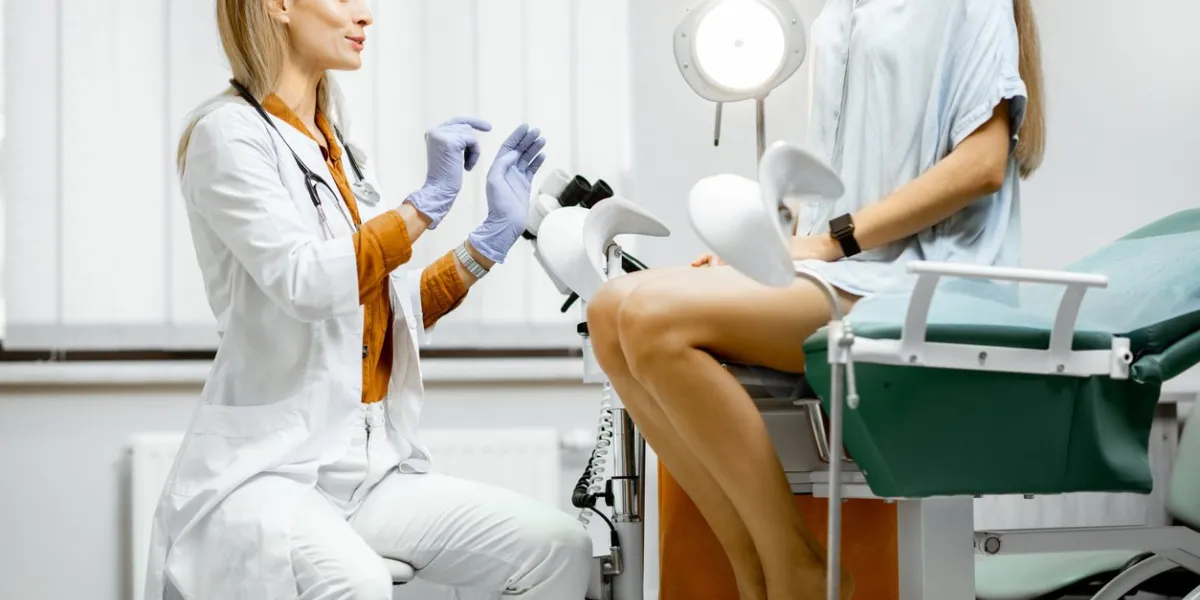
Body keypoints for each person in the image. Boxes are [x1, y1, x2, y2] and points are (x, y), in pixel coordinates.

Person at [588, 0, 1046, 598]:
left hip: (923, 282)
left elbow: (982, 165)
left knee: (653, 320)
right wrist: (768, 255)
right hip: (845, 269)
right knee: (610, 310)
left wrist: (831, 242)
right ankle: (754, 573)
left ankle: (796, 569)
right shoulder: (843, 8)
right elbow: (843, 169)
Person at [143, 1, 592, 599]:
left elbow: (382, 310)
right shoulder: (227, 134)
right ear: (278, 6)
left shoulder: (339, 144)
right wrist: (423, 207)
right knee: (358, 583)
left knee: (558, 549)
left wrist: (486, 244)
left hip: (363, 464)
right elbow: (306, 281)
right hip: (270, 469)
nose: (365, 14)